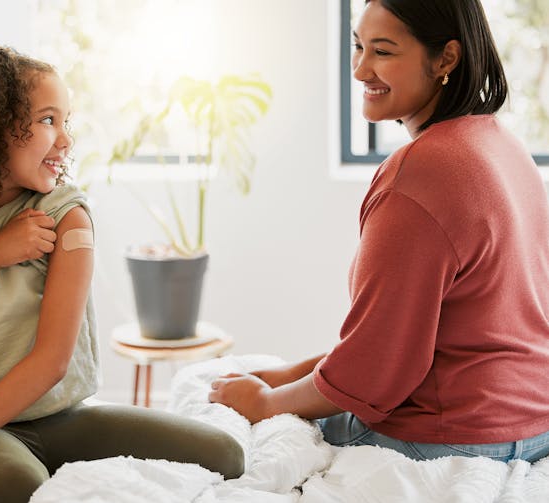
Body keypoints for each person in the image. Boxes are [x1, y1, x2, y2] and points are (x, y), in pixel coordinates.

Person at [0, 46, 243, 503]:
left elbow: (53, 362)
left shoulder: (65, 214)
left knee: (227, 455)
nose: (66, 140)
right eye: (48, 120)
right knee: (13, 487)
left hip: (62, 418)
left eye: (65, 120)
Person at [210, 0, 549, 463]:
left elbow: (374, 372)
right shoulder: (503, 144)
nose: (360, 69)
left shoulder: (419, 174)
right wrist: (287, 374)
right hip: (535, 423)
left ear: (446, 58)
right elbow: (427, 335)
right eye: (358, 46)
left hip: (457, 435)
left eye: (384, 52)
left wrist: (265, 404)